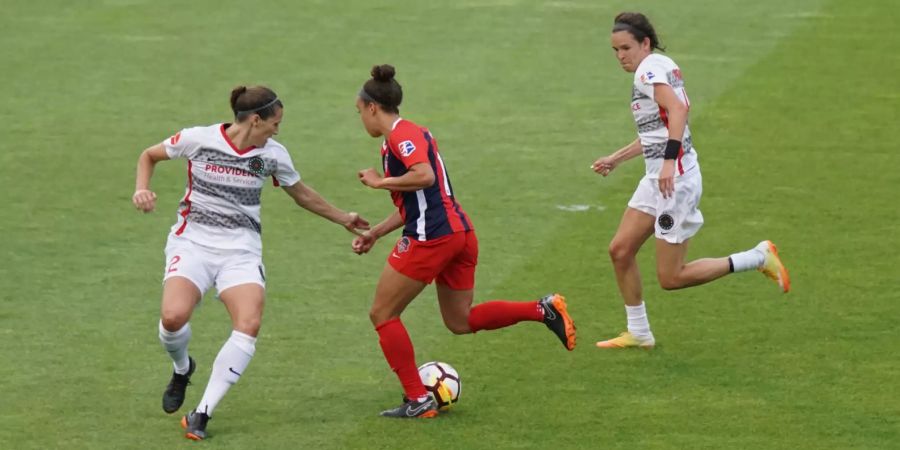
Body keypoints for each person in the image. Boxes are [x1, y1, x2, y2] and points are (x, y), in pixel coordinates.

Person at [132, 86, 369, 440]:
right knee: (172, 318)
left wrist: (343, 218)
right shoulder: (199, 139)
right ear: (255, 119)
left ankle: (202, 413)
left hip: (240, 251)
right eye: (275, 122)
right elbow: (148, 155)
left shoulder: (272, 155)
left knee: (249, 322)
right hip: (192, 243)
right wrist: (142, 188)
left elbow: (301, 194)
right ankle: (182, 368)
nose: (277, 129)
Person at [350, 64, 577, 418]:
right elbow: (419, 200)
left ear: (372, 107)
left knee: (382, 313)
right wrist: (377, 232)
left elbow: (423, 177)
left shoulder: (400, 135)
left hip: (432, 238)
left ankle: (417, 398)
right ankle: (543, 309)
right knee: (459, 320)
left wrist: (379, 183)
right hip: (459, 234)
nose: (360, 118)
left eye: (359, 110)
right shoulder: (405, 136)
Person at [591, 12, 790, 349]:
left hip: (674, 182)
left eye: (626, 48)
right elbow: (661, 129)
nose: (620, 56)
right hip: (658, 178)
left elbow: (680, 111)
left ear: (645, 43)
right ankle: (639, 332)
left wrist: (669, 163)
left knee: (671, 277)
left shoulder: (648, 70)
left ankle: (757, 257)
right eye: (615, 50)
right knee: (620, 250)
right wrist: (617, 158)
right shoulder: (660, 65)